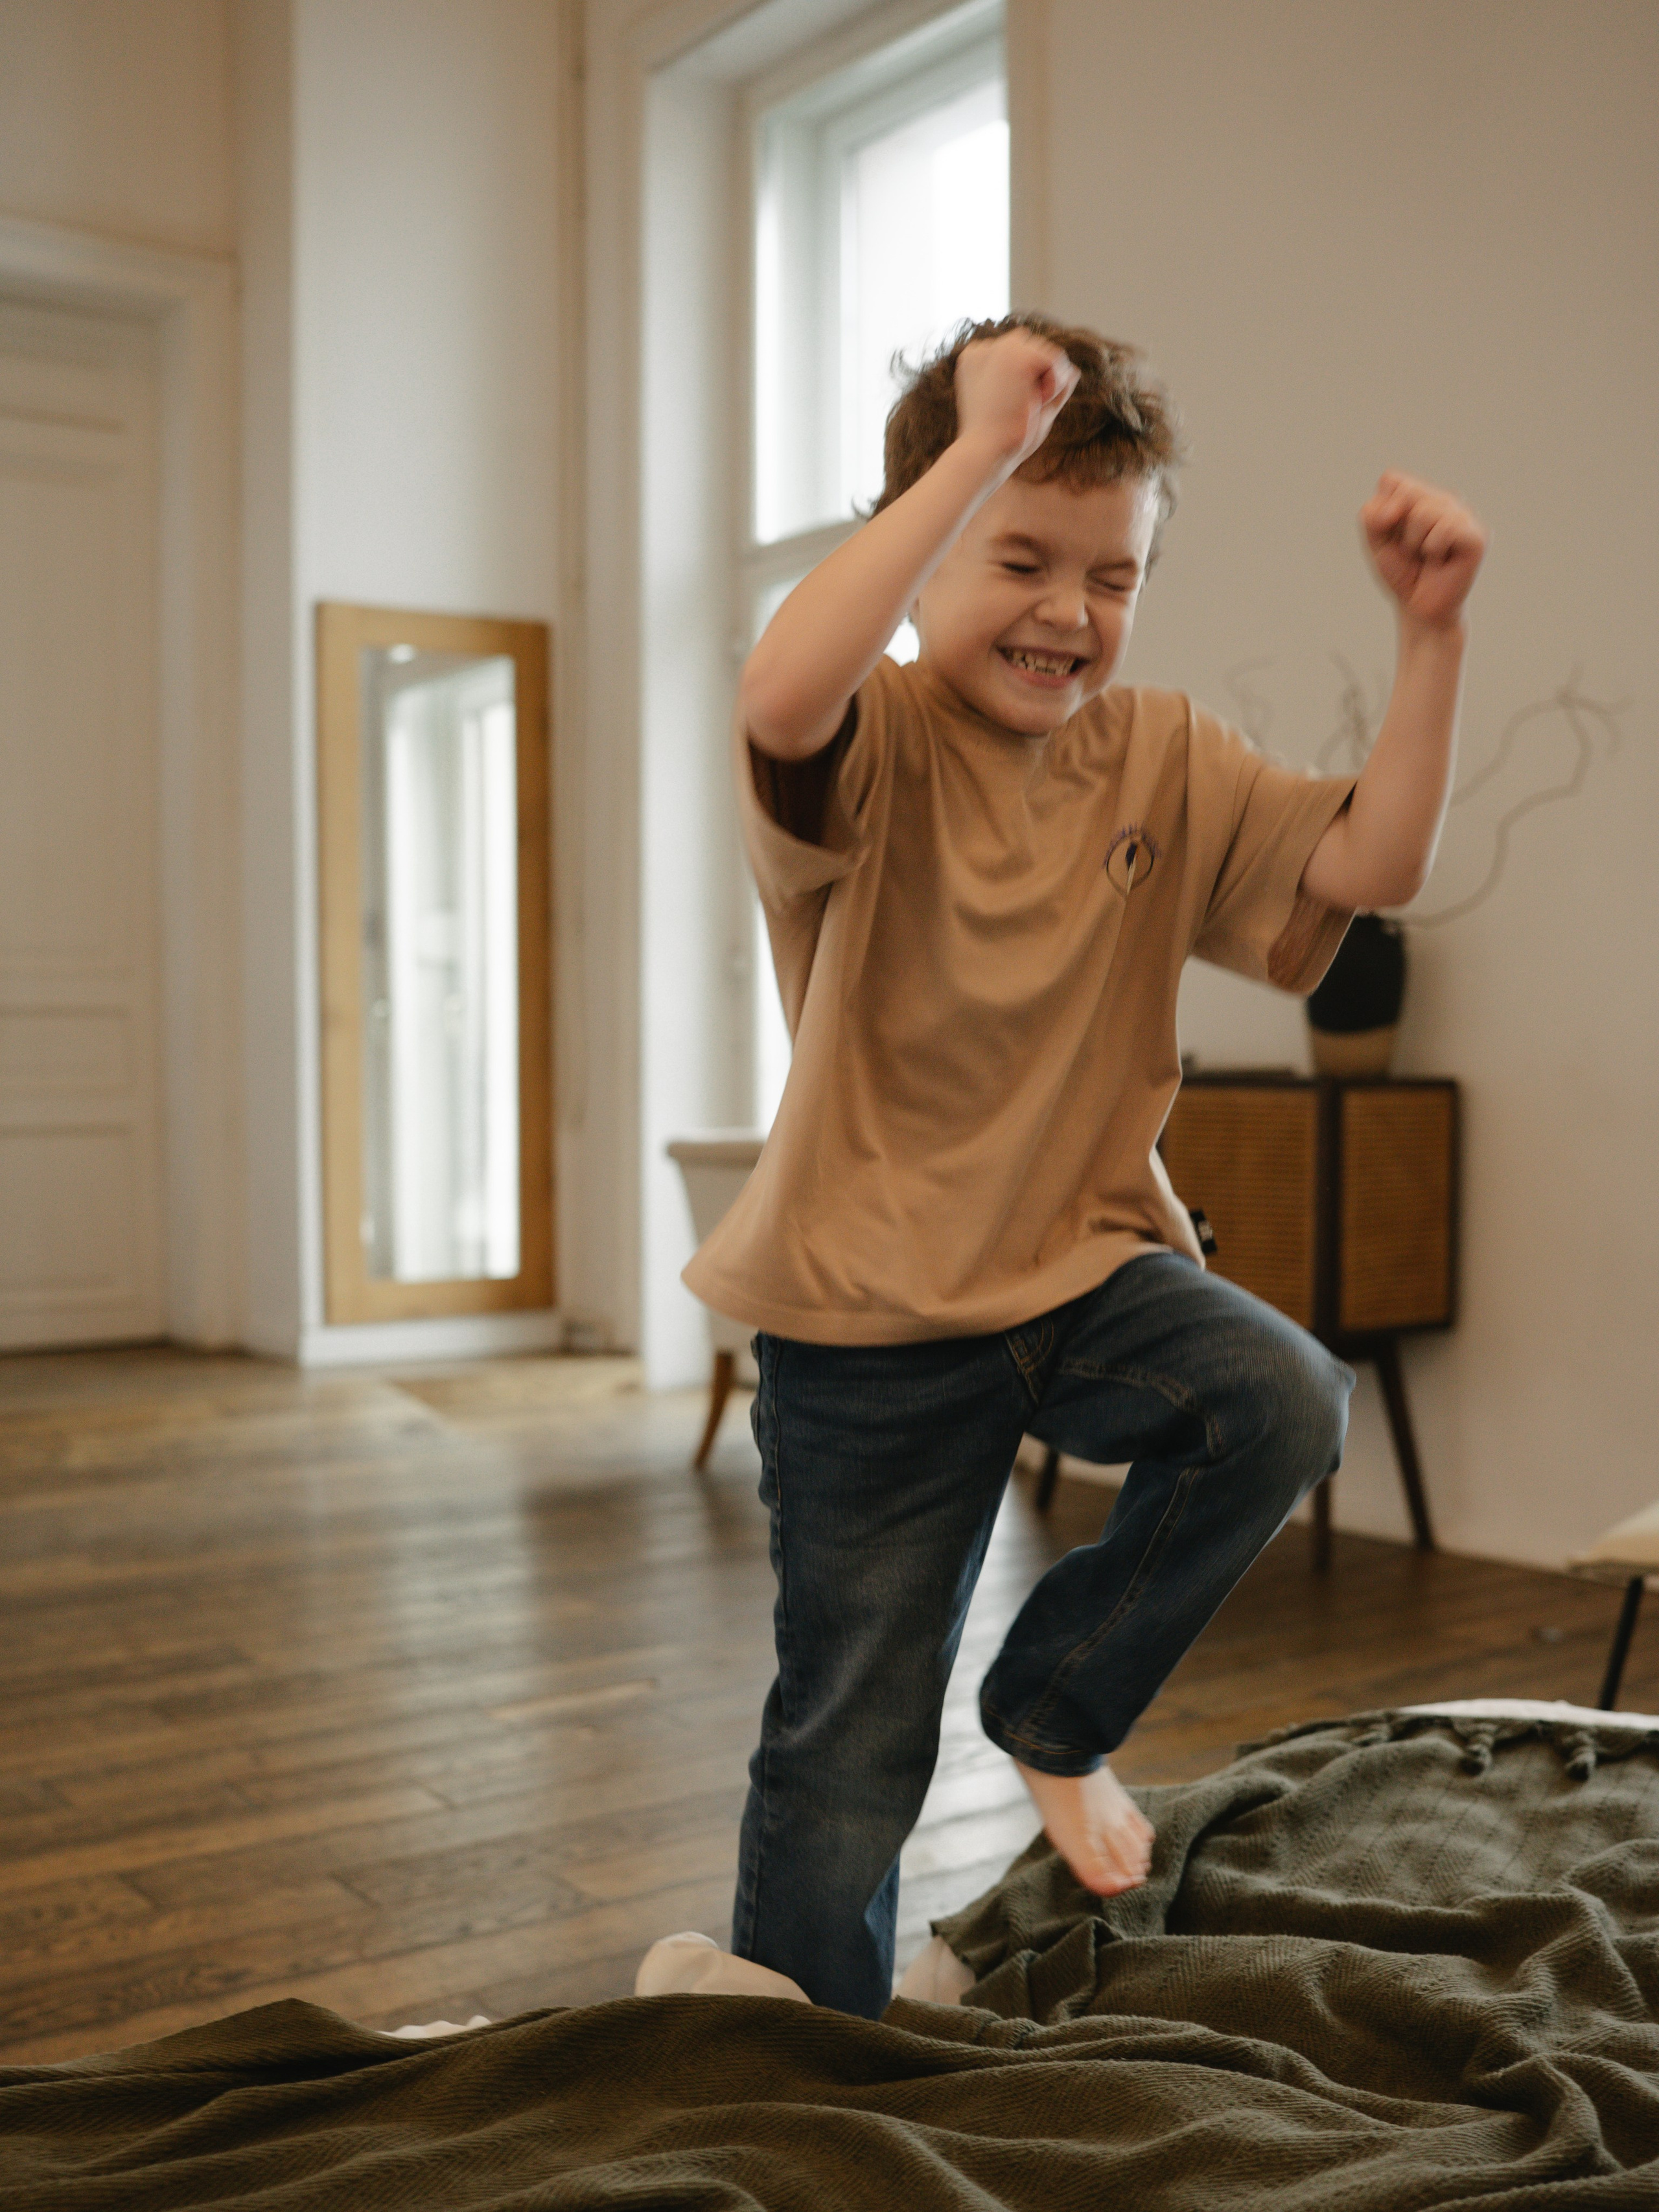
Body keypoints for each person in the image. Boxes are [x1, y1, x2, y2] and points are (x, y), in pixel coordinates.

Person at [683, 314, 1487, 2019]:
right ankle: (791, 2072)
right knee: (848, 1743)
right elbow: (777, 688)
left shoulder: (1165, 759)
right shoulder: (870, 742)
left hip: (1084, 1272)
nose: (1068, 610)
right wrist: (972, 450)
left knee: (1282, 1397)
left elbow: (1377, 861)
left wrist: (1431, 638)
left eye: (1111, 578)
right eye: (1021, 559)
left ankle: (1057, 1716)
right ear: (919, 547)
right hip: (867, 1312)